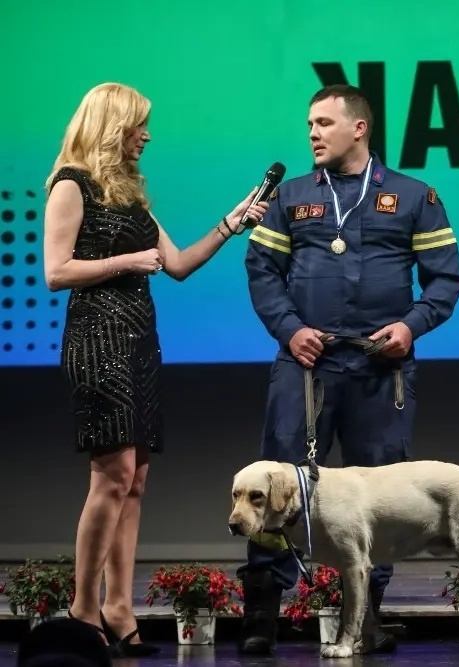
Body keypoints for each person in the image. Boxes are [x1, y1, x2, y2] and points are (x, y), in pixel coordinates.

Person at [42, 82, 269, 658]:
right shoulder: (72, 184)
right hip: (97, 340)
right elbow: (56, 271)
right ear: (113, 125)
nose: (147, 135)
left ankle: (119, 606)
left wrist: (232, 221)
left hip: (140, 342)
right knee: (111, 475)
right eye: (139, 125)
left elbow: (177, 265)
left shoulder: (131, 196)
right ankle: (83, 608)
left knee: (135, 479)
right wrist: (123, 260)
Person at [238, 83, 459, 656]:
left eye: (323, 123)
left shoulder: (415, 197)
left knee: (381, 497)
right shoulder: (290, 197)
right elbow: (262, 270)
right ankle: (262, 618)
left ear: (358, 128)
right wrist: (290, 330)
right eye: (309, 124)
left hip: (379, 371)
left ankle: (367, 620)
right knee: (272, 489)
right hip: (305, 368)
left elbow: (446, 280)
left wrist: (411, 326)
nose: (312, 133)